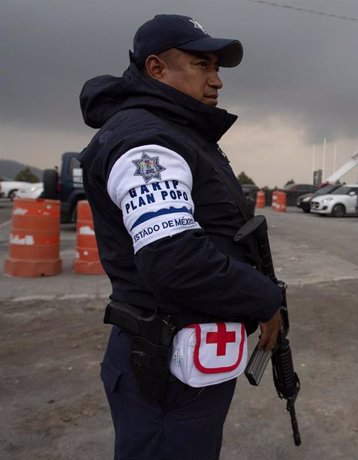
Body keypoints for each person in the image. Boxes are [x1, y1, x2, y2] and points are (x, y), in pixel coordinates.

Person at [78, 14, 283, 459]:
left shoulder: (176, 132)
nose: (217, 81)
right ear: (157, 69)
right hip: (166, 372)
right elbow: (174, 258)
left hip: (183, 361)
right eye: (202, 65)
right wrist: (264, 298)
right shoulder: (147, 143)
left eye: (217, 68)